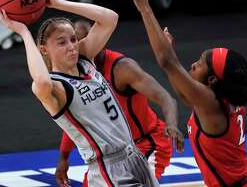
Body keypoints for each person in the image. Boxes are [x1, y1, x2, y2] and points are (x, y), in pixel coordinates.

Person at [0, 0, 161, 187]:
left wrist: (58, 2)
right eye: (62, 42)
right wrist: (24, 33)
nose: (72, 45)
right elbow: (41, 82)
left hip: (135, 155)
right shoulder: (55, 87)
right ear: (44, 50)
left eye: (73, 39)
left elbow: (109, 18)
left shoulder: (85, 60)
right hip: (108, 168)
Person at [129, 0, 247, 187]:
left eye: (201, 63)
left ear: (213, 79)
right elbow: (180, 83)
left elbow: (167, 62)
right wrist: (170, 54)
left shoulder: (211, 103)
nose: (193, 64)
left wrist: (145, 9)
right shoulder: (215, 98)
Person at [55, 20, 184, 186]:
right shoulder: (76, 73)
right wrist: (63, 158)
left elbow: (165, 97)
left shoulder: (122, 68)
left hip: (147, 143)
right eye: (75, 41)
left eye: (84, 40)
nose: (76, 47)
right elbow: (77, 120)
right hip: (113, 154)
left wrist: (172, 124)